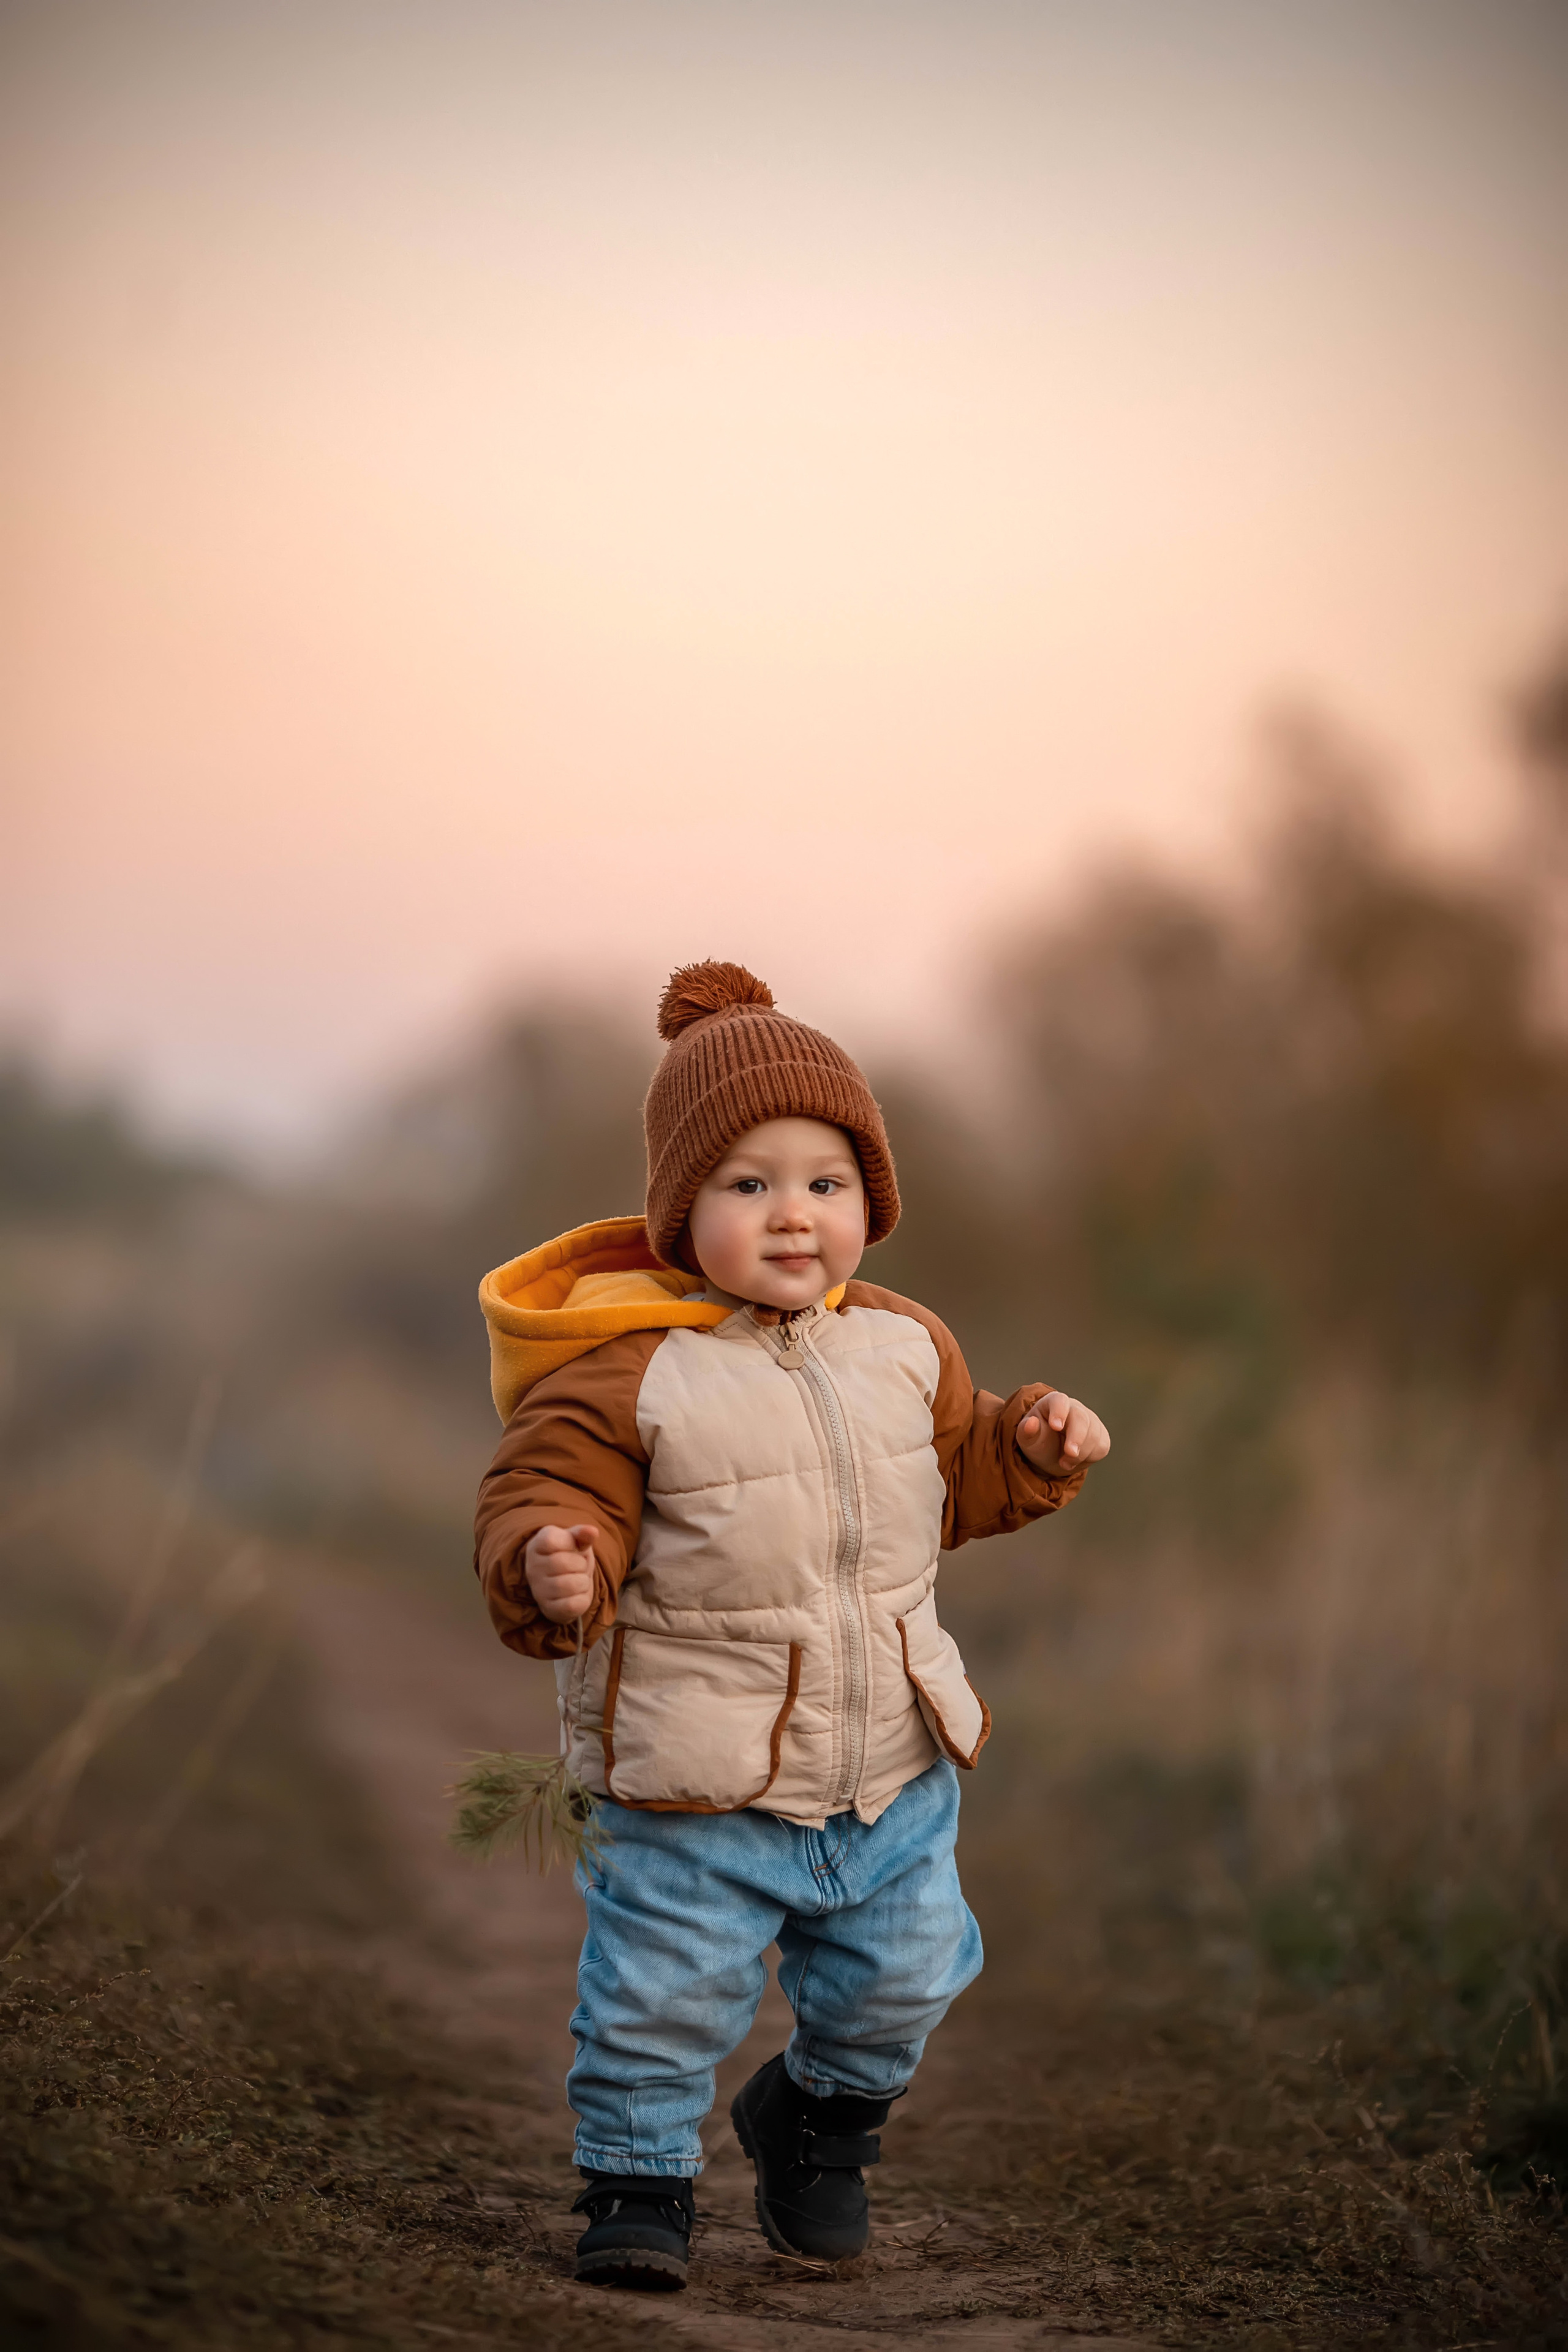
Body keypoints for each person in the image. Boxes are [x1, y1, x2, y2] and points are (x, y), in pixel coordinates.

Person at [473, 960, 1109, 2291]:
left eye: (824, 1185)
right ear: (676, 1212)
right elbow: (546, 1485)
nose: (790, 1217)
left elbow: (950, 1484)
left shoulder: (900, 1345)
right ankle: (638, 2189)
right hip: (691, 1778)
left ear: (867, 1202)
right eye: (746, 1185)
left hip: (888, 1765)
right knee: (660, 2000)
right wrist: (554, 1561)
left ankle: (815, 2121)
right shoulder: (627, 1368)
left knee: (908, 1977)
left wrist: (1030, 1446)